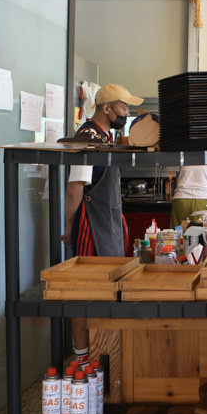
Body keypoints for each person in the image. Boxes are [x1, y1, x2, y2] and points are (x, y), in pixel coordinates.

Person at [61, 82, 144, 367]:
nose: (127, 113)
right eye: (124, 107)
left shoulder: (107, 136)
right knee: (83, 291)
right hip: (90, 225)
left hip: (106, 221)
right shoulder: (88, 137)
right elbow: (75, 188)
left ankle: (101, 352)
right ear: (107, 108)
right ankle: (83, 356)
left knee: (102, 288)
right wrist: (69, 227)